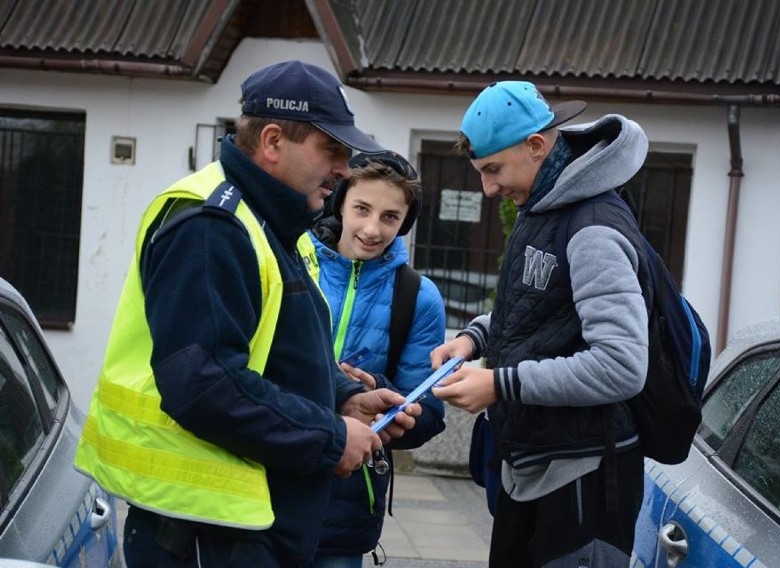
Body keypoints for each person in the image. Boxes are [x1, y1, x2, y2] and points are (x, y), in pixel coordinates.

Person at [74, 60, 422, 568]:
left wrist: (344, 398)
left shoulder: (271, 222)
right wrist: (328, 436)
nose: (344, 168)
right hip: (202, 534)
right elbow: (206, 385)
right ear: (274, 142)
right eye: (331, 149)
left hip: (242, 529)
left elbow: (277, 349)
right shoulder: (213, 225)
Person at [430, 81, 651, 567]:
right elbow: (541, 310)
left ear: (536, 146)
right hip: (536, 467)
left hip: (583, 481)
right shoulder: (542, 206)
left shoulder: (592, 227)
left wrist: (500, 384)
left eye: (493, 169)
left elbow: (622, 365)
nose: (488, 189)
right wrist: (475, 338)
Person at [298, 151, 447, 567]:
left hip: (345, 511)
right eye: (361, 208)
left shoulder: (419, 297)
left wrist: (382, 398)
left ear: (405, 223)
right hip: (264, 491)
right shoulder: (290, 262)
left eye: (390, 217)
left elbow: (430, 416)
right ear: (339, 201)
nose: (371, 228)